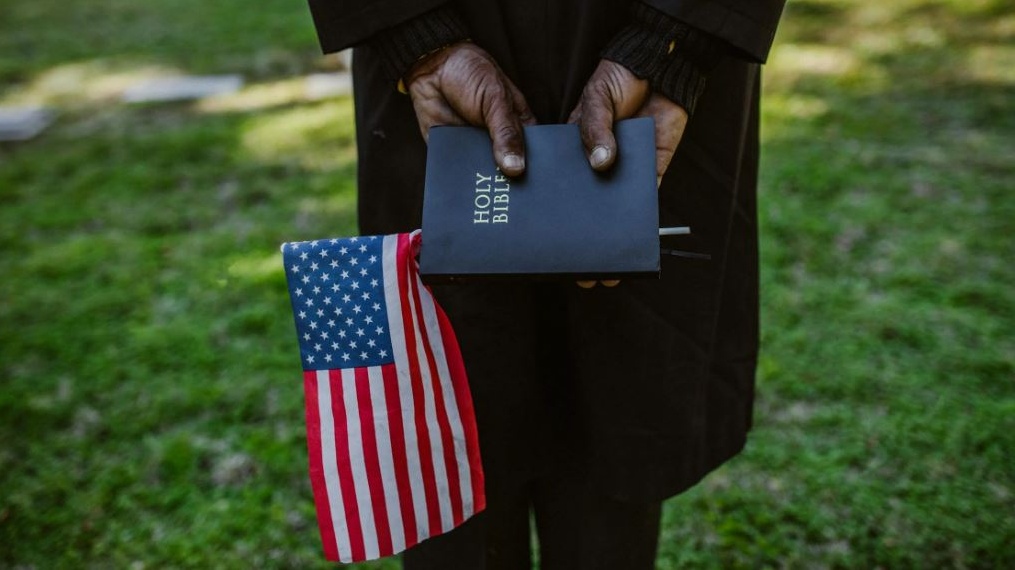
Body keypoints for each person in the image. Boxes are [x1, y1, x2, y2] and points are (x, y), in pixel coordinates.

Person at [304, 1, 785, 567]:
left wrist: (672, 44)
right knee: (450, 410)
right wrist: (418, 39)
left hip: (652, 50)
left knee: (618, 399)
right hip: (435, 59)